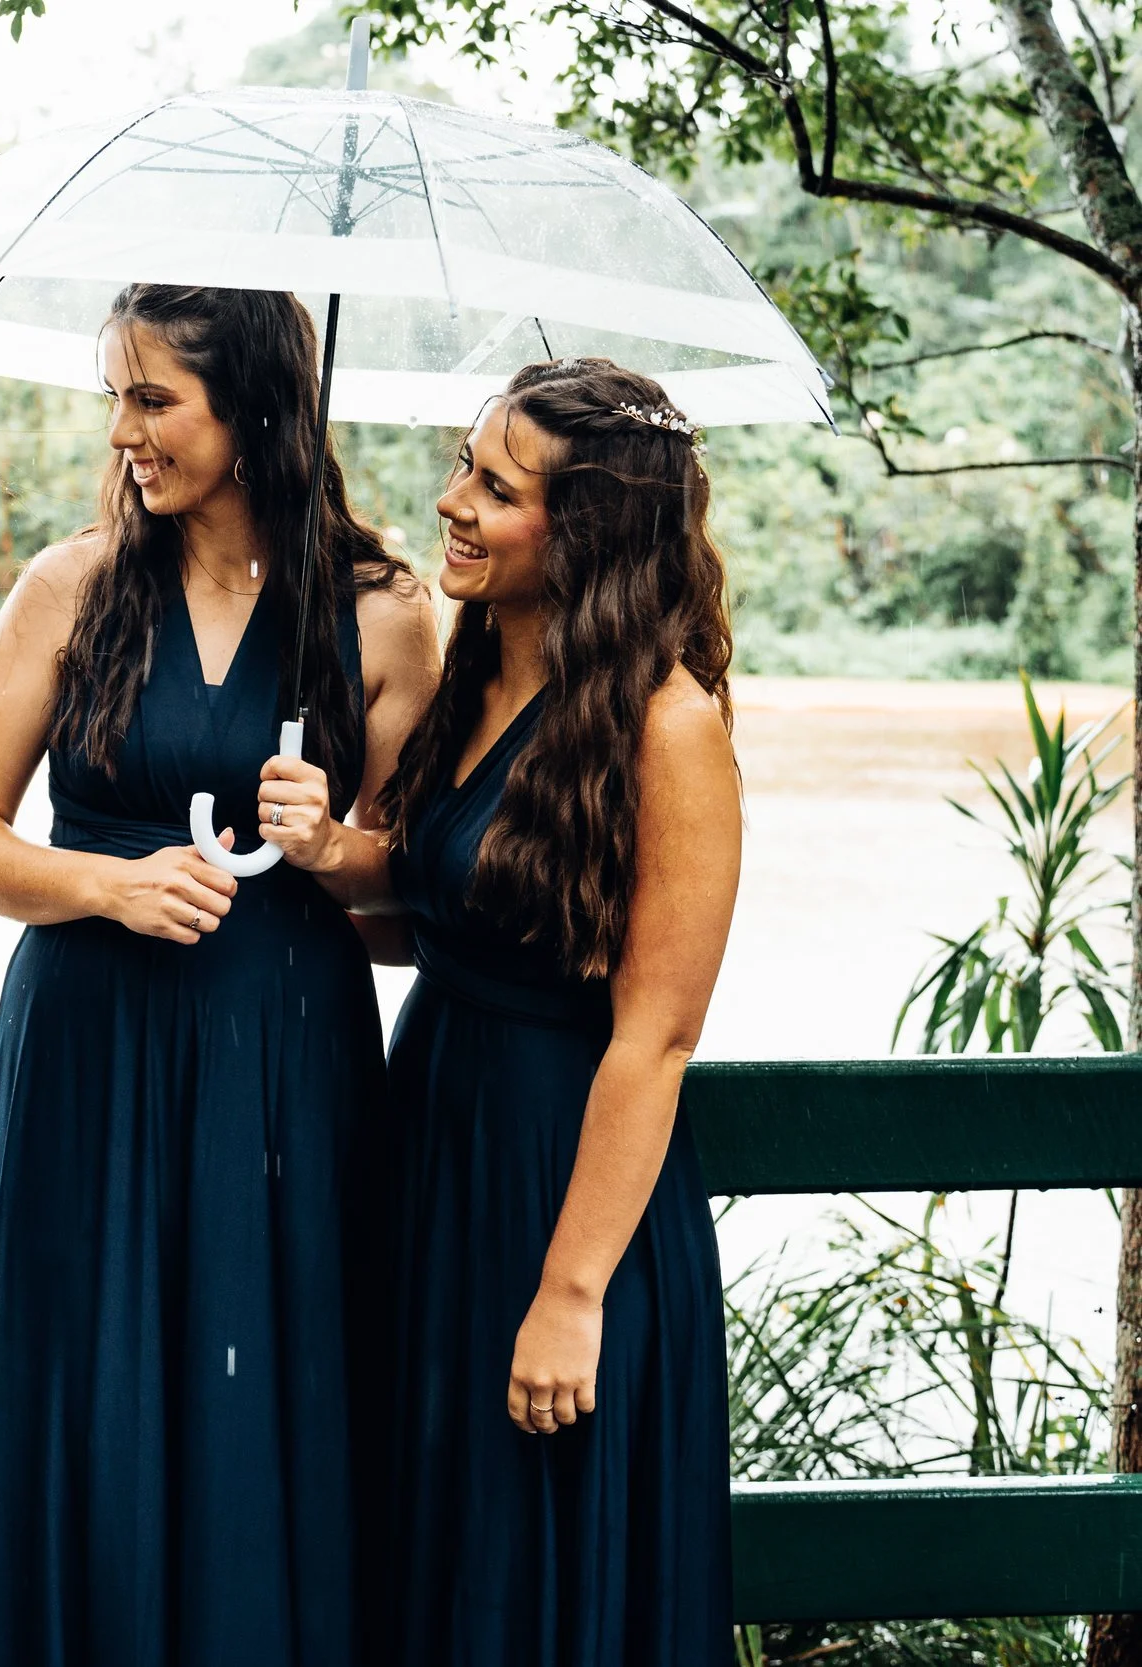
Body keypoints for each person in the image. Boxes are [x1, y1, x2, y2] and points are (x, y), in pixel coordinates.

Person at [0, 284, 439, 1665]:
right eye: (117, 395)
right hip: (90, 1047)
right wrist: (109, 882)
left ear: (257, 407)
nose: (124, 429)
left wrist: (334, 846)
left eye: (154, 398)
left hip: (287, 1058)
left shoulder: (387, 614)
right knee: (88, 1386)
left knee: (269, 1388)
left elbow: (407, 913)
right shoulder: (71, 584)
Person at [289, 357, 741, 1662]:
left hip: (562, 1178)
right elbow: (442, 890)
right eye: (464, 466)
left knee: (541, 1555)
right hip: (434, 1147)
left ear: (590, 526)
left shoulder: (668, 721)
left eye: (496, 484)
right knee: (433, 1536)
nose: (453, 501)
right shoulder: (474, 668)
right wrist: (328, 849)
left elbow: (656, 1034)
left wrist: (572, 1291)